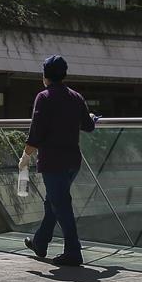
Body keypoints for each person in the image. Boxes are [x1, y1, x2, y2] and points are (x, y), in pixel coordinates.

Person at [20, 55, 96, 267]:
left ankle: (73, 251)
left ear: (45, 75)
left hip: (53, 162)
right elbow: (88, 126)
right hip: (73, 161)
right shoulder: (76, 96)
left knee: (60, 204)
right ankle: (40, 242)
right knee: (54, 202)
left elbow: (35, 133)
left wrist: (25, 156)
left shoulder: (43, 97)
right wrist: (93, 117)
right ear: (64, 74)